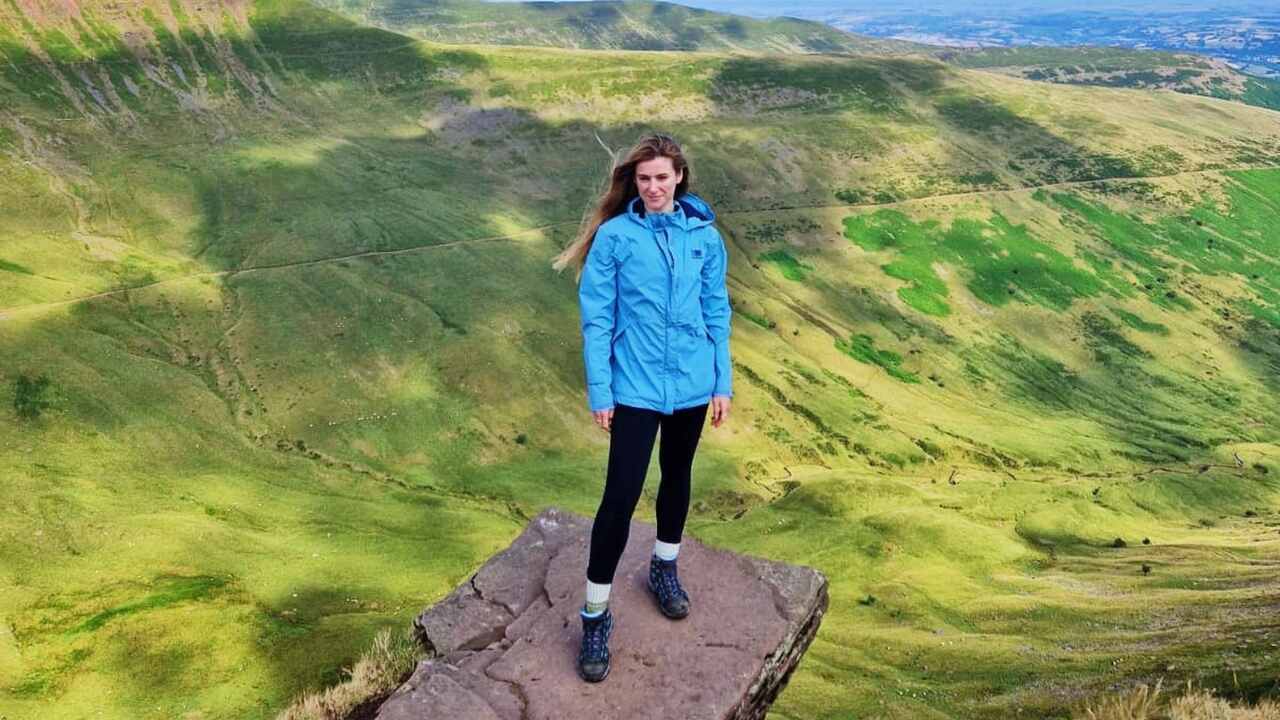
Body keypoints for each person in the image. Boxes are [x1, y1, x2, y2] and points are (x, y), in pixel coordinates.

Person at [551, 132, 733, 682]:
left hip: (693, 383)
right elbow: (597, 319)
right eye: (644, 178)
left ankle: (664, 567)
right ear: (633, 181)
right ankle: (595, 615)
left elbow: (716, 310)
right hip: (634, 385)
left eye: (662, 177)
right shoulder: (615, 237)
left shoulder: (704, 237)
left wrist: (721, 382)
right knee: (621, 495)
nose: (653, 187)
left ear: (679, 177)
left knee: (677, 476)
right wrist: (601, 391)